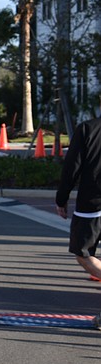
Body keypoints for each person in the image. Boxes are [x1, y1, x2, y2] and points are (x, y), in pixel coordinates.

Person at [56, 115, 101, 326]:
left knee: (83, 254)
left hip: (92, 204)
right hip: (91, 204)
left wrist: (62, 199)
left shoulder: (87, 129)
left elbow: (72, 167)